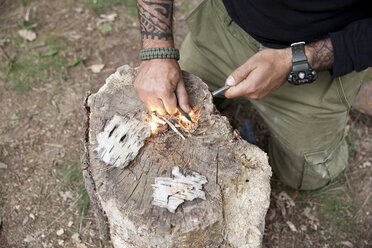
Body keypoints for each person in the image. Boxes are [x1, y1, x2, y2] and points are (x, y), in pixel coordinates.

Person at [134, 0, 372, 190]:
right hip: (223, 29)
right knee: (167, 108)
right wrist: (157, 51)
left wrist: (297, 60)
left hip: (315, 60)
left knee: (308, 177)